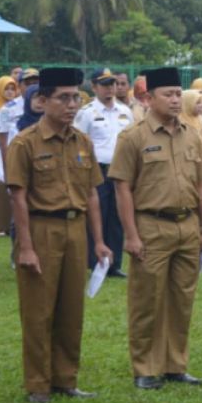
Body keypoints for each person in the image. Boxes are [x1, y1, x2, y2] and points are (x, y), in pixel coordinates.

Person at [7, 67, 111, 403]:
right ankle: (38, 384)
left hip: (75, 228)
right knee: (39, 311)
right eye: (63, 98)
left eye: (76, 98)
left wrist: (98, 240)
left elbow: (92, 194)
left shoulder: (82, 141)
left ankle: (66, 379)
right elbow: (18, 197)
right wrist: (25, 247)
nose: (71, 105)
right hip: (41, 228)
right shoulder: (25, 142)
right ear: (42, 100)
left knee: (71, 309)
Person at [110, 67, 202, 390]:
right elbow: (122, 188)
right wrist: (130, 234)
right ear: (148, 98)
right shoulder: (134, 136)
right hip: (151, 225)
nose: (174, 100)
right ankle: (144, 367)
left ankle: (175, 364)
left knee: (182, 299)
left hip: (187, 225)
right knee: (146, 300)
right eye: (167, 94)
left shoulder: (192, 134)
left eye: (176, 94)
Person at [73, 68, 134, 278]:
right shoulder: (87, 112)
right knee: (97, 214)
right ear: (94, 86)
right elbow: (78, 143)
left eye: (113, 84)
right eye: (105, 84)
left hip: (120, 170)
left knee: (117, 216)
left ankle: (114, 263)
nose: (110, 89)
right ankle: (95, 260)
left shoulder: (125, 111)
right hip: (97, 168)